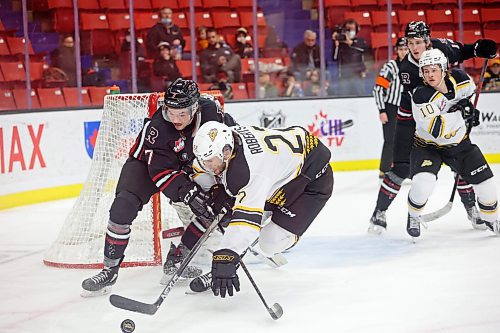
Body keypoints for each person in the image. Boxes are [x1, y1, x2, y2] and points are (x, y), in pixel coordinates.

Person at [81, 78, 236, 296]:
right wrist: (186, 191)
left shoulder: (211, 113)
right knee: (122, 207)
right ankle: (109, 270)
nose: (175, 119)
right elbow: (161, 172)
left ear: (195, 107)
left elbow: (232, 138)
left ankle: (178, 258)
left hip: (188, 163)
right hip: (146, 165)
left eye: (182, 114)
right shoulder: (158, 128)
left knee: (210, 207)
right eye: (171, 112)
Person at [368, 21, 498, 235]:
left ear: (427, 40)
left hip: (446, 112)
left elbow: (464, 51)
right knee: (401, 167)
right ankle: (379, 213)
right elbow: (428, 104)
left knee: (461, 162)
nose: (414, 48)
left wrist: (479, 49)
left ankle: (472, 209)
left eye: (418, 42)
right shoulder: (407, 69)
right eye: (410, 43)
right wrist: (461, 107)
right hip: (414, 118)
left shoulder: (442, 48)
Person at [190, 121, 334, 297]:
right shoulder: (226, 140)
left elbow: (246, 221)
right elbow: (199, 168)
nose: (207, 166)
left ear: (226, 152)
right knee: (236, 218)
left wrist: (226, 255)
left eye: (210, 161)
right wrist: (216, 189)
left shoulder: (250, 170)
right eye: (205, 160)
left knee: (269, 243)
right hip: (279, 177)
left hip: (310, 181)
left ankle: (288, 233)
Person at [407, 48, 499, 237]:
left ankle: (491, 220)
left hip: (459, 144)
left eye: (434, 70)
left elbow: (469, 98)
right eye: (425, 71)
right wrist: (460, 113)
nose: (430, 75)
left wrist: (471, 111)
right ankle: (413, 215)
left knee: (487, 186)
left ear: (443, 69)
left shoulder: (461, 79)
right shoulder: (421, 96)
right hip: (428, 146)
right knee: (423, 183)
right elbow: (437, 129)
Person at [372, 37, 408, 179]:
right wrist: (382, 110)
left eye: (406, 49)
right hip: (391, 108)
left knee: (408, 140)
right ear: (396, 51)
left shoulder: (414, 67)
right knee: (390, 140)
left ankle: (406, 170)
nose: (403, 52)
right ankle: (384, 170)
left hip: (407, 108)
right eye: (401, 49)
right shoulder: (391, 67)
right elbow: (378, 89)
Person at [331, 19, 368, 96]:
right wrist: (336, 45)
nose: (350, 31)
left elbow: (363, 49)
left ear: (356, 30)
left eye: (352, 29)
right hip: (344, 75)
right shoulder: (341, 44)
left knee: (360, 97)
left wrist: (349, 42)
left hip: (357, 75)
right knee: (343, 98)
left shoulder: (360, 41)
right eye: (348, 29)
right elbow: (334, 58)